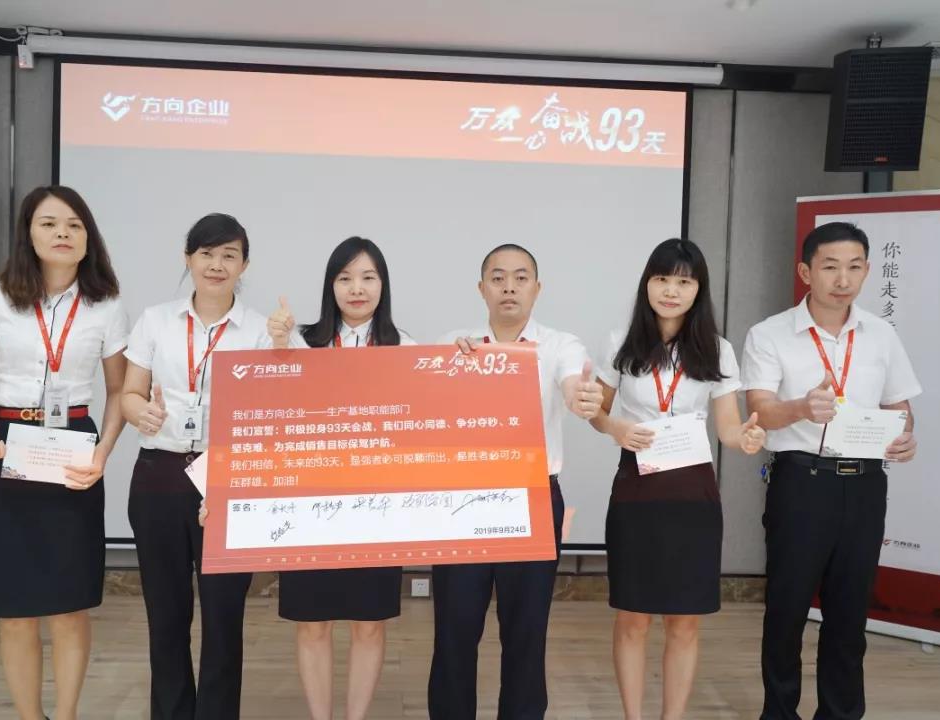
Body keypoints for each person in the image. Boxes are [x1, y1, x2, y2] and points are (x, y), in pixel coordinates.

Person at [0, 185, 127, 720]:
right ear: (28, 233)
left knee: (70, 606)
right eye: (49, 223)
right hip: (4, 444)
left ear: (88, 237)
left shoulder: (106, 304)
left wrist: (102, 454)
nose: (62, 233)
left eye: (74, 224)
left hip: (73, 446)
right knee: (15, 609)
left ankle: (66, 714)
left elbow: (119, 390)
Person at [742, 221, 920, 720]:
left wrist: (906, 435)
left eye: (854, 267)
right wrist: (801, 407)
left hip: (865, 485)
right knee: (787, 609)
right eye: (830, 267)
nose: (843, 279)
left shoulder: (881, 334)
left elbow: (900, 407)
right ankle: (779, 712)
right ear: (806, 272)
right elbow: (759, 410)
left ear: (867, 271)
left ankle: (840, 713)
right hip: (802, 483)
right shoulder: (770, 334)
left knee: (849, 612)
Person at [589, 238, 765, 720]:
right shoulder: (620, 341)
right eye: (662, 279)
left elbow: (728, 429)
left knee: (684, 622)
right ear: (647, 283)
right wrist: (614, 428)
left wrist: (747, 438)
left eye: (683, 282)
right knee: (632, 617)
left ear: (698, 290)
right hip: (637, 488)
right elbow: (597, 412)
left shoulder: (718, 350)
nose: (671, 291)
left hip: (692, 494)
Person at [426, 243, 603, 720]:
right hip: (463, 499)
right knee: (455, 629)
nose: (509, 287)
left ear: (537, 289)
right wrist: (448, 368)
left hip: (532, 497)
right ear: (481, 288)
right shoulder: (453, 342)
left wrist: (580, 396)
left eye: (521, 278)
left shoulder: (561, 345)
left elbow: (571, 382)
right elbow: (425, 407)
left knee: (526, 631)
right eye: (498, 277)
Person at [121, 213, 273, 720]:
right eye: (206, 253)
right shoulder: (155, 320)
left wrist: (282, 346)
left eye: (229, 255)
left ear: (244, 265)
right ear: (188, 259)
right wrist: (139, 411)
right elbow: (128, 393)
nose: (216, 264)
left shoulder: (261, 331)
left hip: (226, 477)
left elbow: (273, 412)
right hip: (160, 473)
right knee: (165, 615)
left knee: (224, 617)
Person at [265, 235, 413, 720]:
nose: (357, 288)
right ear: (330, 285)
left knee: (369, 624)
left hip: (377, 507)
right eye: (345, 278)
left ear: (383, 285)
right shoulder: (300, 342)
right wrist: (278, 348)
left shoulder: (406, 349)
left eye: (368, 277)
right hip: (310, 505)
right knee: (312, 623)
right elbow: (271, 409)